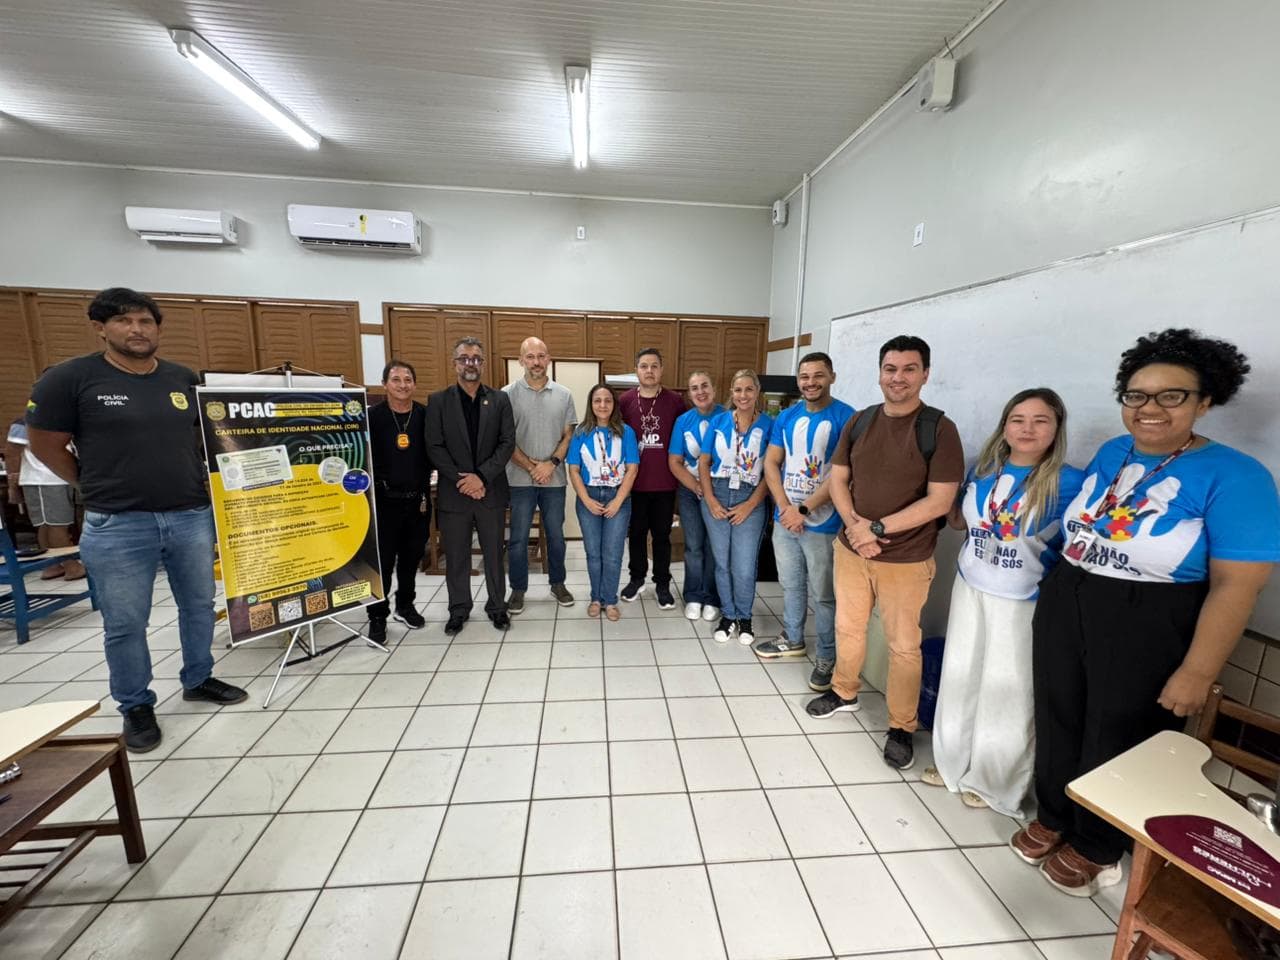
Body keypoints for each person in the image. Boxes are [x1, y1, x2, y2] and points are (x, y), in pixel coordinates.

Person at [1011, 329, 1280, 898]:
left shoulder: (1238, 476)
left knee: (1121, 730)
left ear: (1205, 401)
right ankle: (1055, 814)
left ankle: (1098, 841)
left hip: (1149, 616)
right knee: (1059, 713)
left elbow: (1237, 586)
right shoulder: (1115, 451)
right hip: (1073, 596)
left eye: (1171, 395)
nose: (1149, 408)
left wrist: (1198, 673)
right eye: (1136, 395)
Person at [25, 287, 247, 752]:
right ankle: (135, 704)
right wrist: (86, 484)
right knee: (126, 621)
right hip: (118, 523)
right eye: (124, 321)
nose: (136, 330)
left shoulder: (181, 378)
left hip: (188, 515)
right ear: (101, 328)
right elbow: (44, 443)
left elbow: (200, 440)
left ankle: (198, 677)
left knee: (199, 605)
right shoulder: (71, 379)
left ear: (157, 328)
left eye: (145, 321)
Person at [921, 388, 1084, 817]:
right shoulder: (983, 470)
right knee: (960, 677)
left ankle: (995, 782)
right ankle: (951, 762)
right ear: (1004, 427)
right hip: (971, 585)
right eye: (1018, 419)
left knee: (1007, 691)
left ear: (1056, 428)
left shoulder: (1070, 482)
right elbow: (958, 518)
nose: (1027, 429)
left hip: (1022, 598)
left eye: (1040, 420)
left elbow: (1075, 552)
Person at [807, 335, 964, 773]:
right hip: (853, 551)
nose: (898, 378)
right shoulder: (859, 422)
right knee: (849, 627)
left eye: (909, 369)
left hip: (906, 559)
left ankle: (901, 726)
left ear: (925, 374)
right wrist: (856, 529)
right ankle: (843, 691)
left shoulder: (939, 429)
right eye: (891, 369)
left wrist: (874, 529)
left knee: (903, 646)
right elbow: (838, 479)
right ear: (879, 373)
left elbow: (939, 501)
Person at [753, 352, 856, 693]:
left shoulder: (847, 419)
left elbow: (842, 474)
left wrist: (804, 510)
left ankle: (827, 656)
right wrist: (785, 508)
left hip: (823, 523)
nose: (810, 382)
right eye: (804, 376)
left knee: (824, 595)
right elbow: (772, 463)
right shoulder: (786, 417)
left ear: (832, 377)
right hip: (785, 520)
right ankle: (793, 639)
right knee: (792, 585)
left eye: (818, 375)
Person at [424, 337, 516, 636]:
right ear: (455, 364)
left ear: (483, 364)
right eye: (464, 358)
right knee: (457, 555)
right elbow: (434, 446)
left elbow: (506, 443)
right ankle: (458, 609)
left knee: (493, 553)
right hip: (455, 492)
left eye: (476, 358)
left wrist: (481, 477)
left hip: (489, 491)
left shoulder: (500, 400)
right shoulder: (438, 400)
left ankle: (497, 607)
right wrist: (464, 480)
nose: (470, 363)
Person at [699, 370, 773, 644]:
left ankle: (745, 617)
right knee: (722, 563)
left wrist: (750, 505)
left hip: (751, 496)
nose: (743, 396)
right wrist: (710, 500)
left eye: (748, 390)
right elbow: (704, 463)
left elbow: (771, 471)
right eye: (738, 390)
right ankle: (728, 615)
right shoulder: (718, 422)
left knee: (743, 565)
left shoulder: (769, 424)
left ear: (757, 392)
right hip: (717, 493)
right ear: (731, 393)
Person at [504, 337, 576, 613]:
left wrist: (551, 464)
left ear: (549, 359)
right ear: (521, 360)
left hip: (554, 481)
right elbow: (504, 439)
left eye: (541, 356)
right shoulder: (506, 394)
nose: (536, 361)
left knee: (556, 536)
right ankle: (518, 590)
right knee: (519, 538)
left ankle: (558, 584)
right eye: (530, 356)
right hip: (519, 480)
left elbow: (568, 434)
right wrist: (533, 467)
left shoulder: (564, 394)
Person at [366, 359, 431, 645]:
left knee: (411, 558)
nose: (402, 385)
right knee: (382, 562)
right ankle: (377, 616)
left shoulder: (424, 416)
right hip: (382, 501)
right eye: (396, 380)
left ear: (414, 384)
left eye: (407, 379)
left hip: (417, 500)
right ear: (385, 384)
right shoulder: (372, 417)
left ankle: (405, 605)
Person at [617, 348, 687, 608]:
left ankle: (662, 583)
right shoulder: (624, 401)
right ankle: (636, 579)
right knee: (635, 534)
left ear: (661, 369)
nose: (649, 371)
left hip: (665, 483)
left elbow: (686, 436)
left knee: (661, 536)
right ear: (636, 369)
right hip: (633, 483)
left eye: (654, 366)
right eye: (644, 366)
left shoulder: (675, 401)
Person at [567, 384, 640, 620]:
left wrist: (619, 500)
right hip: (589, 497)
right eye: (597, 401)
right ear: (591, 405)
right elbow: (574, 469)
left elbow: (632, 469)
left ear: (614, 404)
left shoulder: (626, 432)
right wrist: (586, 499)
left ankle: (610, 600)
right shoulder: (580, 432)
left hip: (617, 497)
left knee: (613, 553)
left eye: (607, 400)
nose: (602, 405)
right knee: (593, 553)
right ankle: (595, 598)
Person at [668, 370, 724, 622]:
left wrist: (710, 489)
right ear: (689, 394)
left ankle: (711, 597)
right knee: (693, 546)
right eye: (694, 388)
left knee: (714, 546)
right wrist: (696, 486)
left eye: (704, 385)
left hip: (722, 493)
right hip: (691, 493)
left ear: (713, 389)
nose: (700, 391)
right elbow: (675, 461)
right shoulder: (683, 421)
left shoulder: (727, 416)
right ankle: (693, 594)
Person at [5, 416, 85, 580]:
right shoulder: (25, 422)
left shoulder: (58, 418)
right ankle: (71, 566)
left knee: (49, 525)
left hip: (57, 478)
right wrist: (13, 485)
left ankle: (52, 565)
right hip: (43, 480)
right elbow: (12, 452)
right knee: (56, 525)